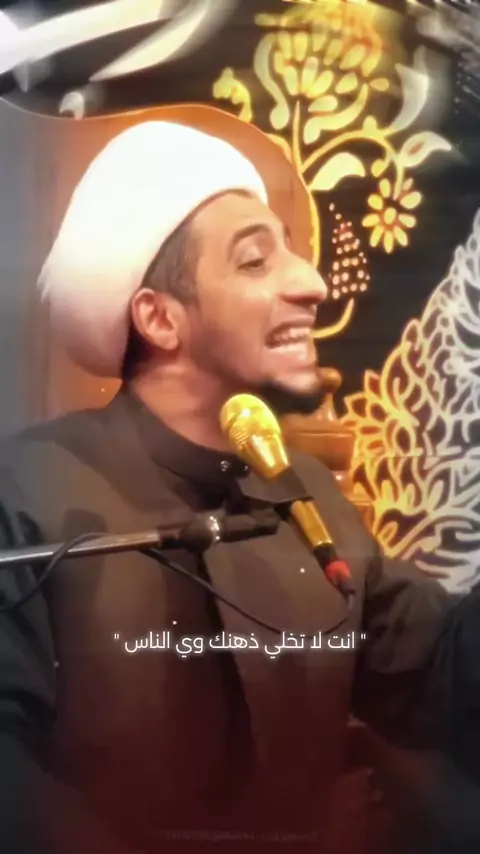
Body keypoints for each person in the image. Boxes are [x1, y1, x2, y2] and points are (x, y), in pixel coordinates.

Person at [0, 120, 468, 854]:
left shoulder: (303, 493)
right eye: (256, 260)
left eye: (290, 250)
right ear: (160, 318)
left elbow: (438, 672)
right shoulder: (27, 491)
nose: (311, 283)